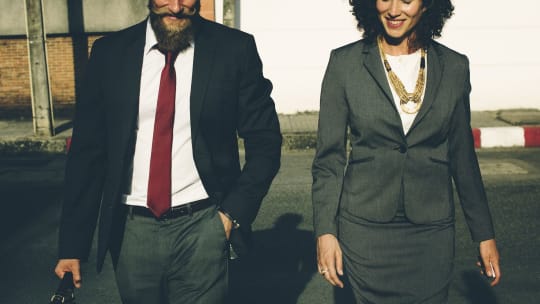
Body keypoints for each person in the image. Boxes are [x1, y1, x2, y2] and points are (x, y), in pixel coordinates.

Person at [54, 0, 282, 303]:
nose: (176, 7)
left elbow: (265, 139)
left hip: (203, 225)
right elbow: (88, 152)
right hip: (132, 231)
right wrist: (72, 246)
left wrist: (232, 214)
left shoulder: (233, 49)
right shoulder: (110, 53)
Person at [312, 0, 501, 303]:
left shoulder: (454, 67)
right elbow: (329, 161)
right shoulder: (344, 64)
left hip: (431, 236)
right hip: (364, 231)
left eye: (407, 0)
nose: (394, 9)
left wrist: (484, 234)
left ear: (428, 5)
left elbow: (463, 157)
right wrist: (325, 232)